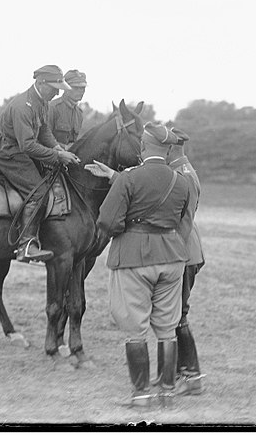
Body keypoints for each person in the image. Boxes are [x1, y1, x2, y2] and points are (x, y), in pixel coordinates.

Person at [91, 123, 191, 408]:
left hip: (134, 257)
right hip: (172, 258)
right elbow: (184, 218)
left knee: (135, 328)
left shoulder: (128, 178)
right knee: (167, 328)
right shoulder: (180, 180)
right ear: (169, 149)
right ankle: (168, 394)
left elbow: (107, 221)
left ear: (144, 148)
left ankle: (141, 396)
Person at [0, 64, 81, 264]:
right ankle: (26, 245)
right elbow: (28, 145)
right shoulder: (23, 106)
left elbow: (44, 130)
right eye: (55, 87)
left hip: (20, 147)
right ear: (40, 83)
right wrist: (58, 157)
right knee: (39, 192)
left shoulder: (42, 102)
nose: (57, 92)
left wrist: (58, 148)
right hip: (8, 151)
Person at [162, 127, 206, 395]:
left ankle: (191, 377)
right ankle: (184, 375)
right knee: (176, 315)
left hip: (184, 253)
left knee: (178, 316)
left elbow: (185, 223)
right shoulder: (183, 170)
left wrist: (172, 255)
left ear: (171, 148)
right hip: (186, 251)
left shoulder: (182, 175)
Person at [48, 70, 87, 148]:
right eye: (76, 88)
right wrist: (64, 147)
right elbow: (42, 139)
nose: (81, 91)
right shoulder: (52, 108)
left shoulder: (79, 114)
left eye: (83, 88)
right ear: (65, 88)